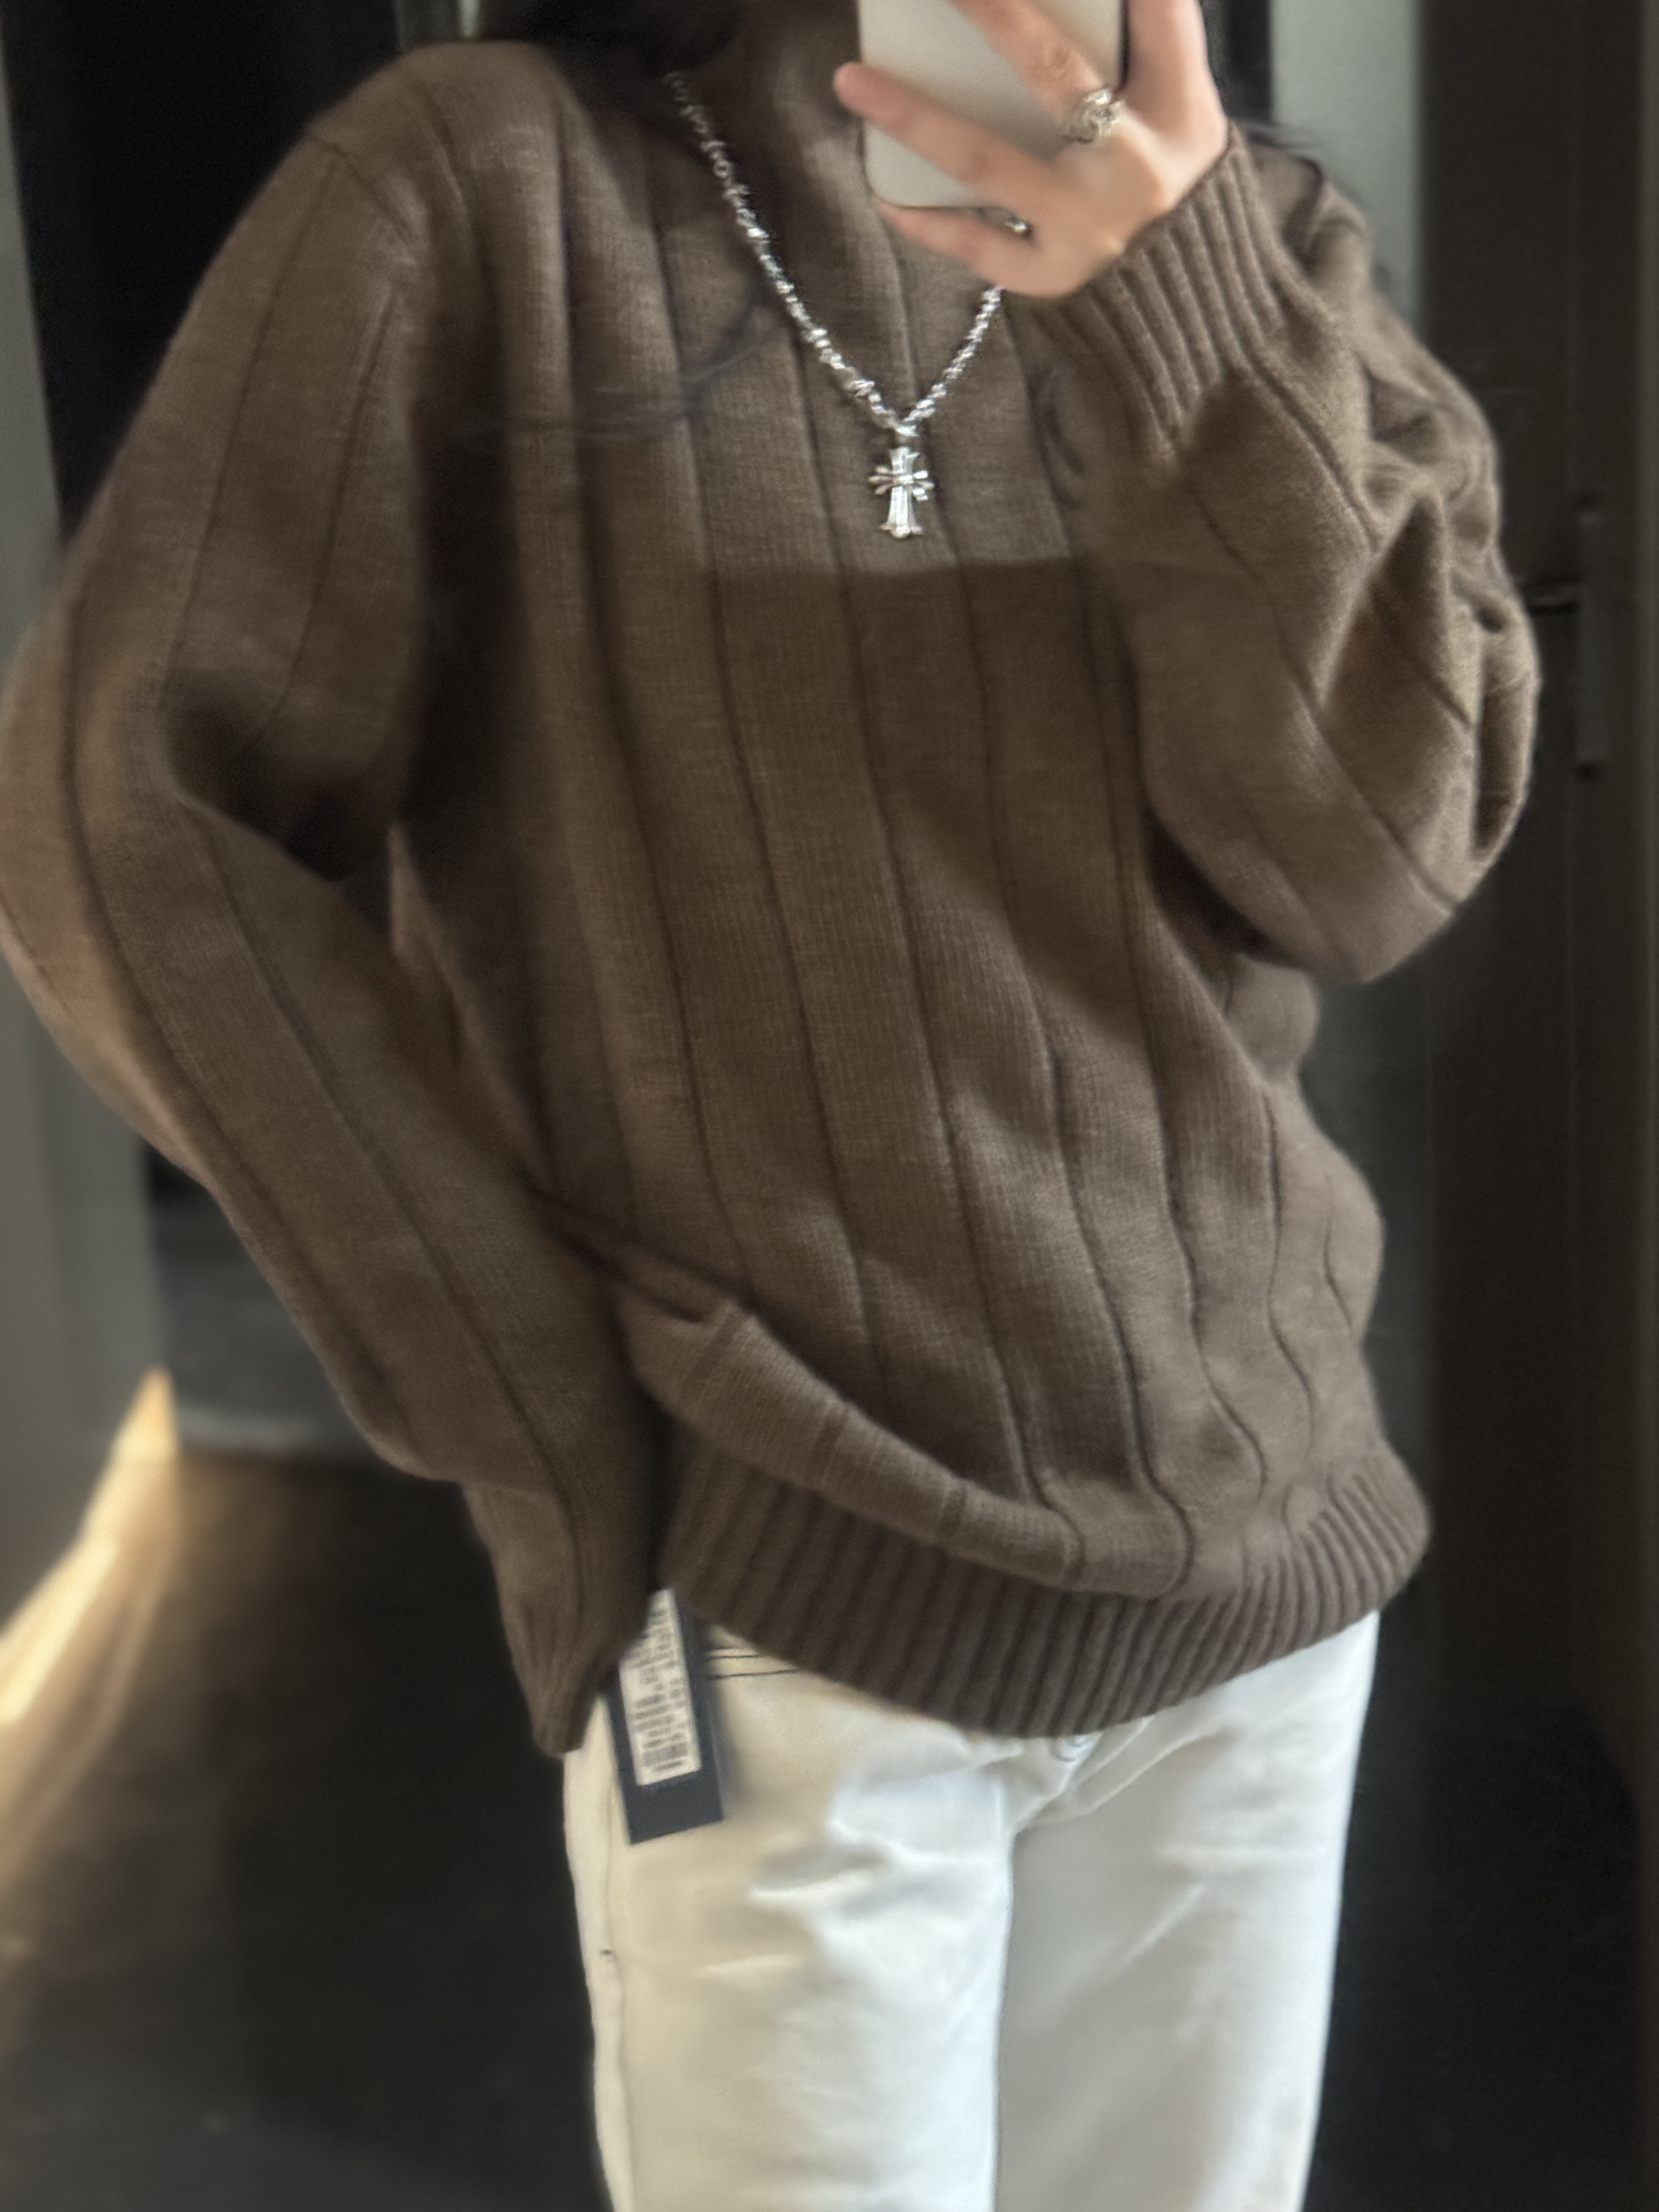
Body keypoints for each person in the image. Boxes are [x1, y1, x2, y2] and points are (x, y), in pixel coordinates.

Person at [0, 0, 1538, 2204]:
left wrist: (1187, 318)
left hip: (1262, 1595)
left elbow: (1374, 866)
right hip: (786, 1621)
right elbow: (124, 819)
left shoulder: (1267, 245)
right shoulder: (482, 193)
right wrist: (538, 1408)